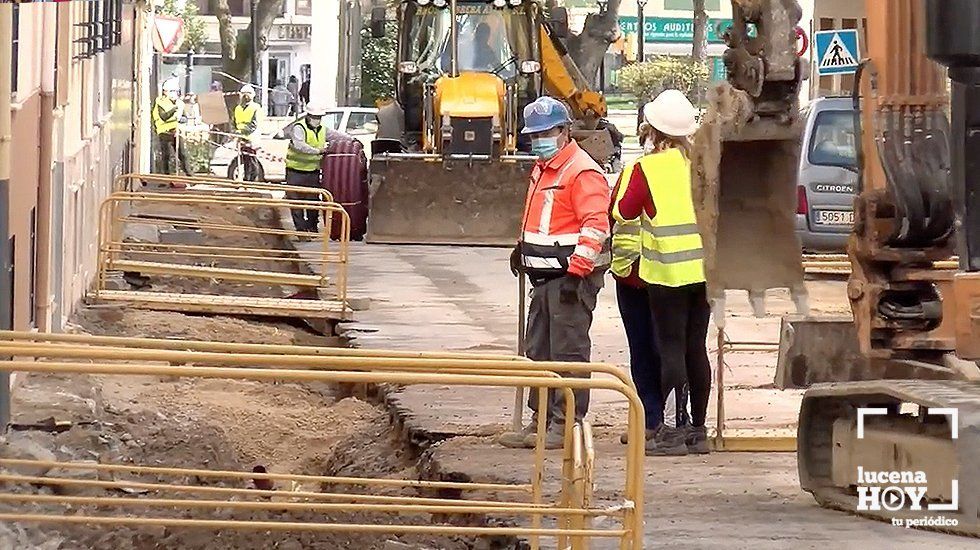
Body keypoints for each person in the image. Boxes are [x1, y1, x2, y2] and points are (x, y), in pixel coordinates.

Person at [498, 97, 611, 450]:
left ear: (564, 131)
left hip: (569, 280)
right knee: (539, 351)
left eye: (546, 133)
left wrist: (578, 272)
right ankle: (542, 419)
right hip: (544, 278)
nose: (539, 140)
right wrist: (525, 249)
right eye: (535, 135)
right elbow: (544, 219)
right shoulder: (544, 166)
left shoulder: (581, 170)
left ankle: (566, 423)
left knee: (568, 352)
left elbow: (596, 225)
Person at [617, 89, 710, 456]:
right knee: (695, 348)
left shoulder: (646, 169)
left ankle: (672, 430)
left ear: (652, 130)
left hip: (666, 275)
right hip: (703, 274)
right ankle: (698, 431)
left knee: (670, 349)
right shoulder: (702, 165)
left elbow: (624, 211)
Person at [285, 104, 329, 235]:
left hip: (312, 172)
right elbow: (300, 145)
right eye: (315, 117)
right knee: (296, 202)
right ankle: (301, 230)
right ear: (308, 116)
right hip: (295, 171)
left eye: (319, 117)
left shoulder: (322, 129)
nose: (317, 119)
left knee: (313, 202)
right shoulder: (299, 128)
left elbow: (335, 136)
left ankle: (312, 227)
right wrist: (318, 151)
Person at [152, 79, 192, 177]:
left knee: (183, 154)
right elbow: (163, 116)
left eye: (176, 91)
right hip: (164, 132)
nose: (174, 94)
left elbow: (184, 118)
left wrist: (181, 118)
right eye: (171, 91)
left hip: (175, 132)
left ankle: (190, 175)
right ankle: (166, 177)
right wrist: (174, 109)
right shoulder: (160, 102)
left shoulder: (179, 103)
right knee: (166, 156)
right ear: (165, 92)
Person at [234, 85, 263, 181]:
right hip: (241, 138)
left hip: (251, 138)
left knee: (252, 162)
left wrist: (241, 131)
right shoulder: (238, 108)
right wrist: (237, 133)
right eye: (244, 93)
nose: (246, 96)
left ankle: (252, 181)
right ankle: (246, 180)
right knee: (245, 161)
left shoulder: (255, 108)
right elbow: (235, 122)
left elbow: (254, 125)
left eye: (248, 93)